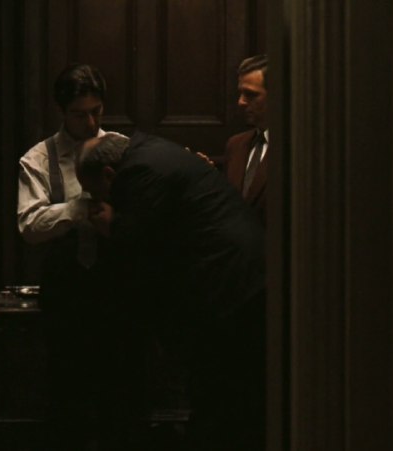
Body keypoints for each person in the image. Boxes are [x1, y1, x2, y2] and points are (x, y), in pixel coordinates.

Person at [76, 133, 266, 450]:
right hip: (244, 275)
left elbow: (141, 241)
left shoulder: (138, 173)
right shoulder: (151, 149)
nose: (101, 200)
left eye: (97, 192)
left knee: (219, 391)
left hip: (227, 284)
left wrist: (111, 225)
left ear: (109, 174)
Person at [17, 63, 128, 449]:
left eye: (97, 111)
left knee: (120, 393)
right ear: (62, 111)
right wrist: (77, 208)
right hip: (68, 292)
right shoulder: (39, 159)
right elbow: (29, 225)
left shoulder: (123, 148)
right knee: (68, 394)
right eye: (80, 115)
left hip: (118, 289)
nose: (91, 122)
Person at [224, 54, 270, 225]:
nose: (241, 102)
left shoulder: (297, 147)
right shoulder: (236, 145)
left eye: (251, 95)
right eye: (241, 93)